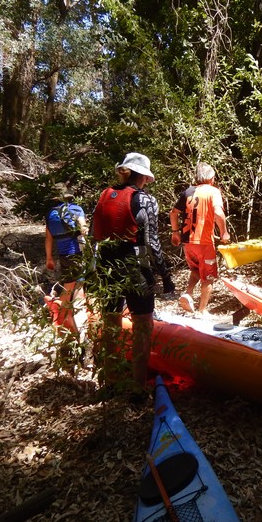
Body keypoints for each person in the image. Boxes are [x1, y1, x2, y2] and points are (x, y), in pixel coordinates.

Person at [91, 152, 175, 393]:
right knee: (142, 327)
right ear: (143, 177)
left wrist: (92, 272)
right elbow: (153, 243)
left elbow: (93, 236)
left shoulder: (105, 195)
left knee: (110, 324)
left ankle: (110, 382)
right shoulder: (145, 200)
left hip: (107, 266)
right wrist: (165, 277)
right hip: (136, 268)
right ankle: (138, 389)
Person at [169, 162, 230, 317]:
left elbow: (173, 213)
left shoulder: (188, 191)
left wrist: (175, 232)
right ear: (212, 178)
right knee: (208, 277)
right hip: (204, 243)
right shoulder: (213, 191)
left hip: (187, 241)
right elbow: (218, 213)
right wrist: (224, 233)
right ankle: (202, 311)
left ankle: (188, 294)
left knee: (196, 269)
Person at [44, 183, 88, 350]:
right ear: (69, 197)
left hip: (63, 255)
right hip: (77, 253)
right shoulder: (77, 210)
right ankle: (78, 334)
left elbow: (48, 239)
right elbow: (83, 231)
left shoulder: (50, 214)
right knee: (77, 290)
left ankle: (63, 320)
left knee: (70, 286)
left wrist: (49, 258)